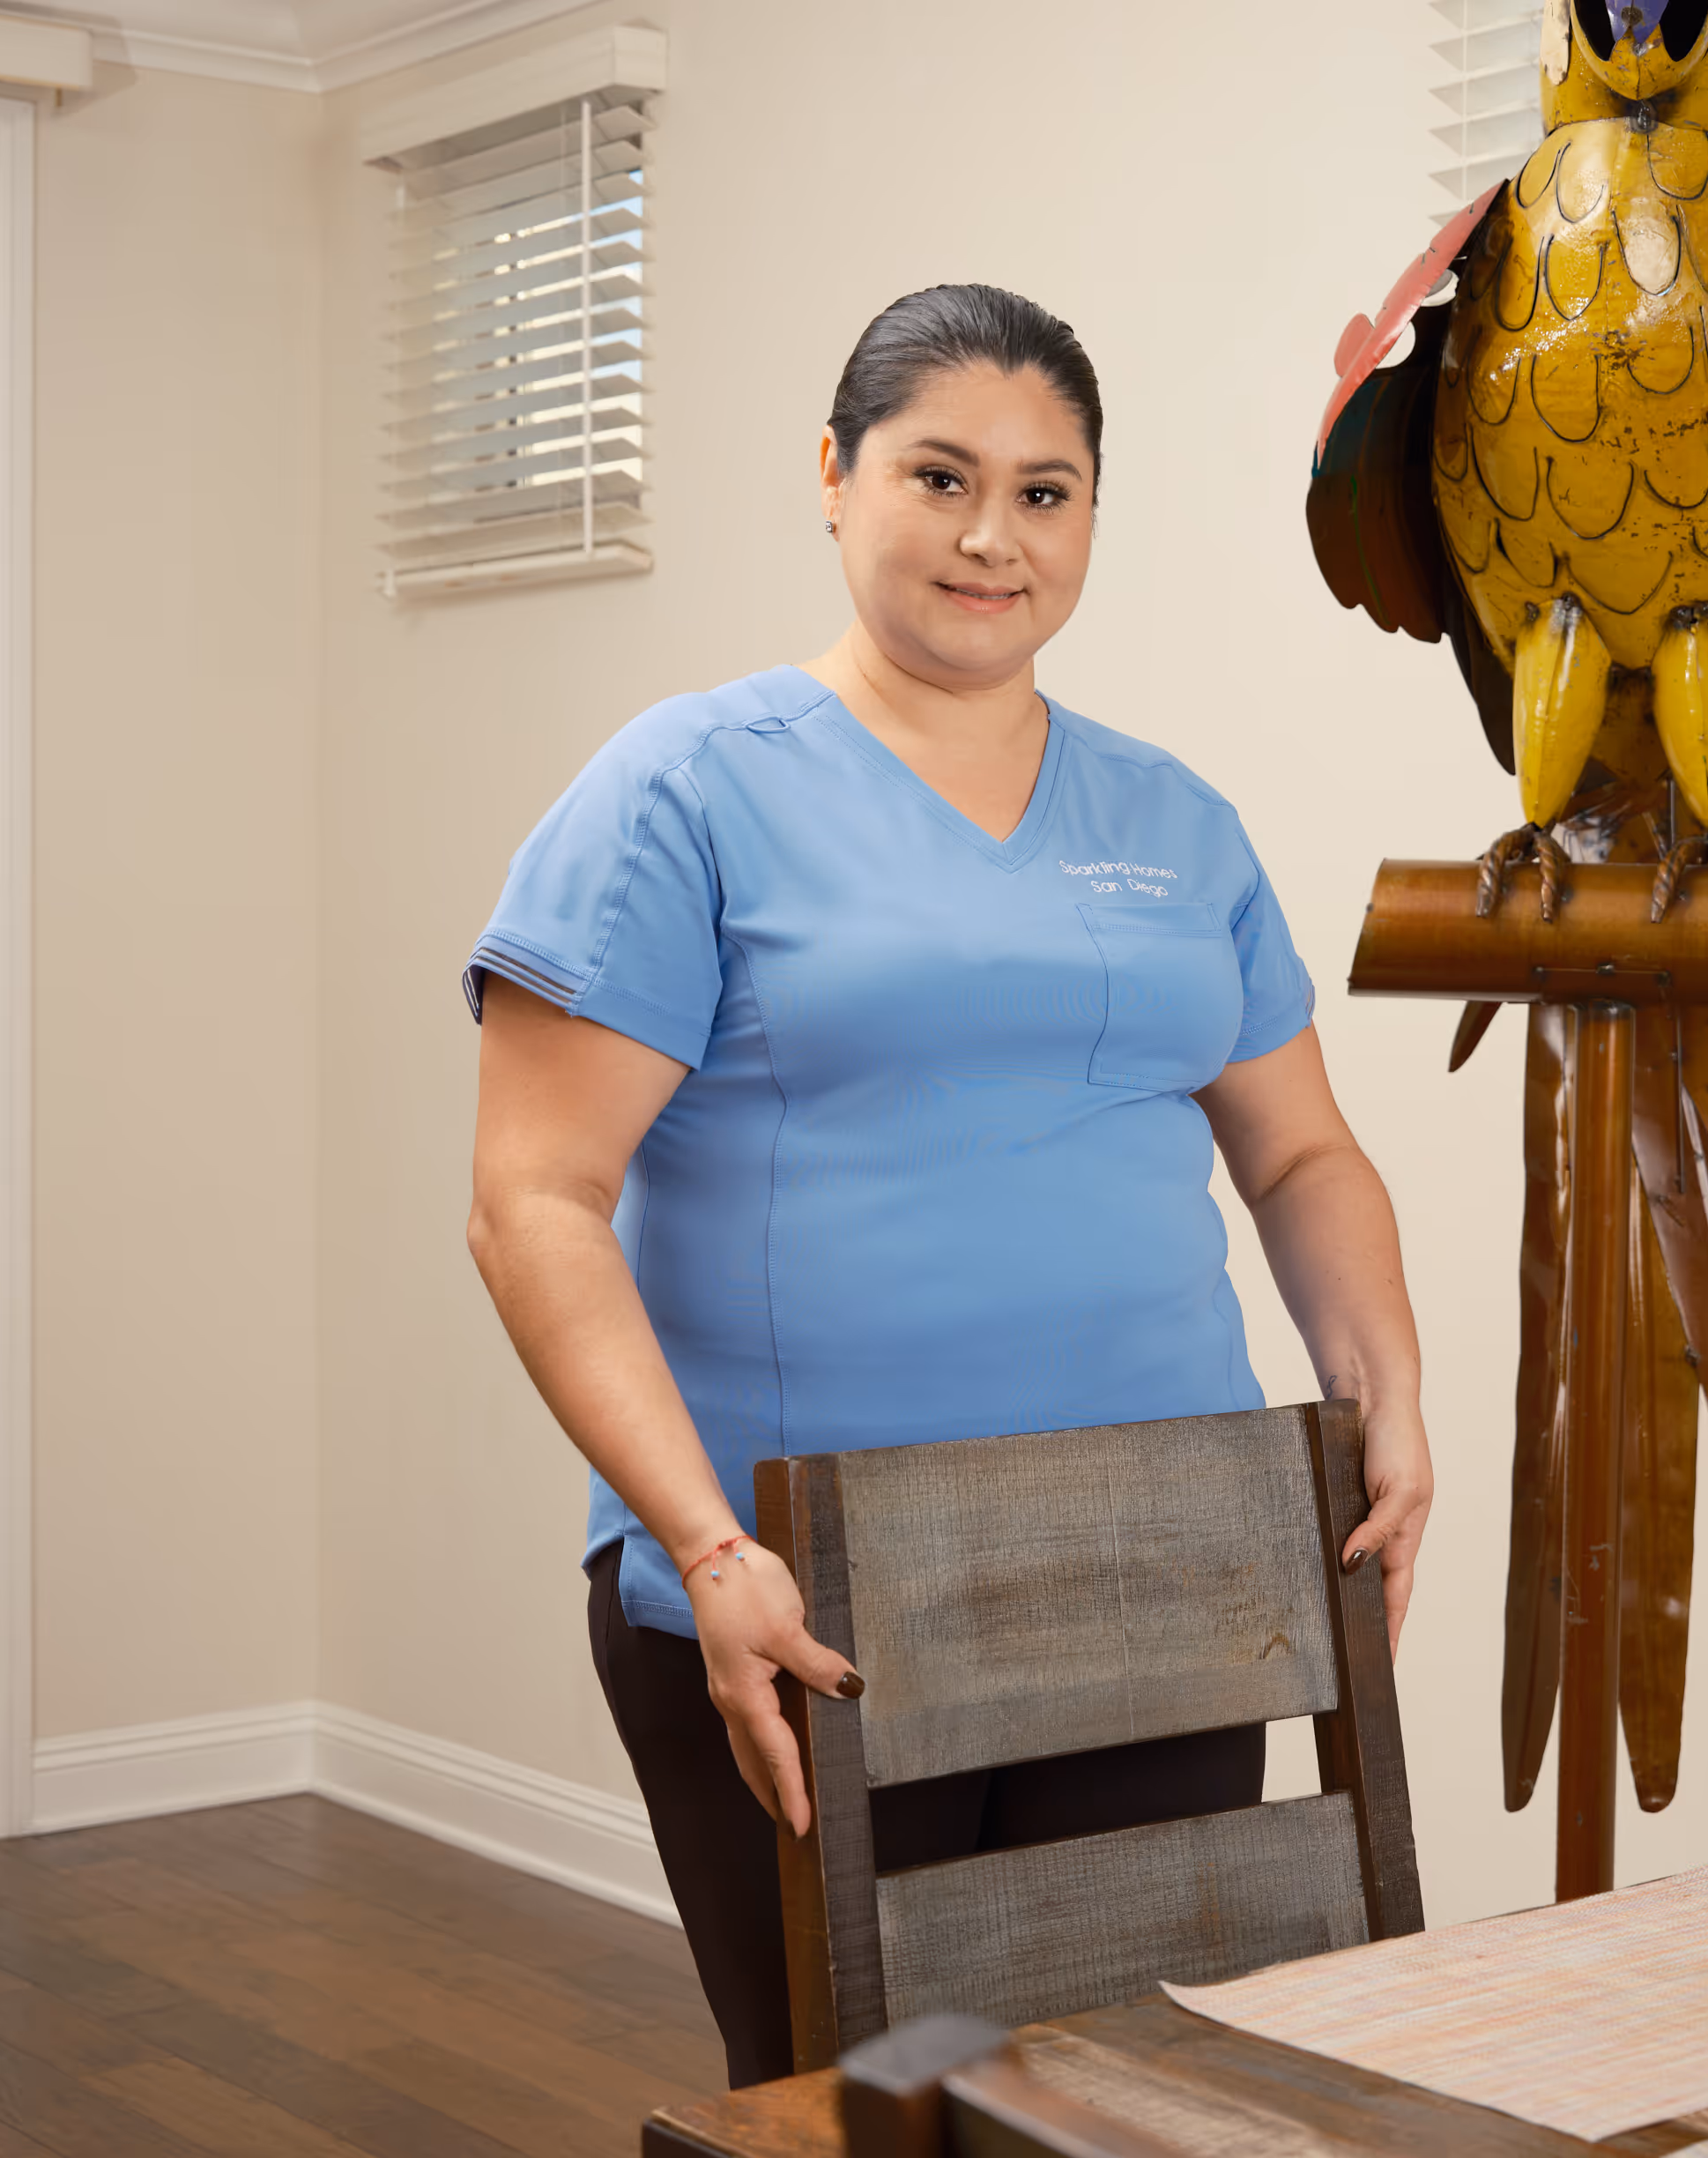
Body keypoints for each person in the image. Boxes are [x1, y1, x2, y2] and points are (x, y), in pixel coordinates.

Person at [462, 285, 1434, 2087]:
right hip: (805, 1593)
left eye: (1047, 492)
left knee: (1130, 2094)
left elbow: (1300, 1150)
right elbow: (533, 1200)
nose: (996, 536)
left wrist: (1386, 1396)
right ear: (834, 480)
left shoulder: (1175, 822)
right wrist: (703, 1545)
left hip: (1170, 1562)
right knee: (872, 2109)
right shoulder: (682, 794)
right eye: (940, 475)